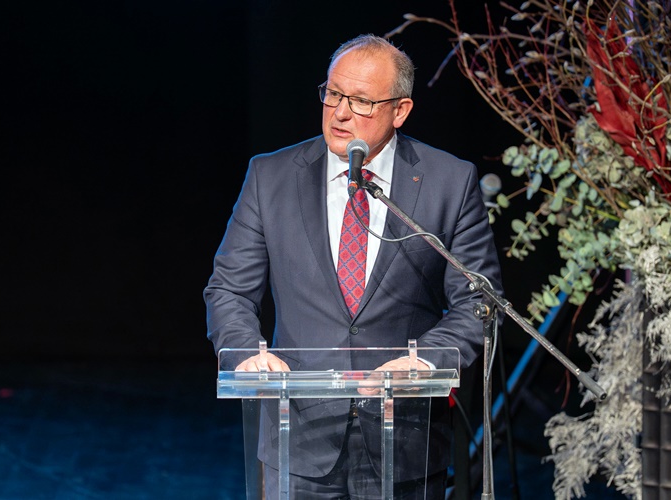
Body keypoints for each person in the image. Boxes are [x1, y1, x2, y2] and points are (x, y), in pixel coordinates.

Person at [205, 33, 503, 499]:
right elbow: (228, 289)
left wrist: (425, 360)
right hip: (297, 434)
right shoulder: (271, 176)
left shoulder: (449, 181)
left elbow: (476, 304)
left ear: (400, 111)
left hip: (405, 436)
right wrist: (246, 353)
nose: (340, 113)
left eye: (361, 101)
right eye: (333, 94)